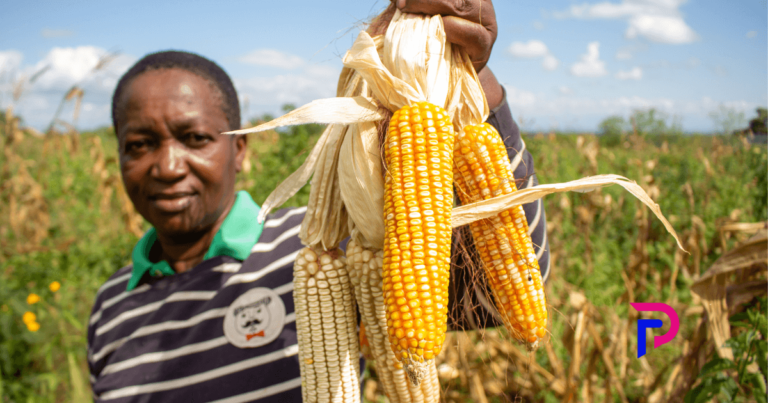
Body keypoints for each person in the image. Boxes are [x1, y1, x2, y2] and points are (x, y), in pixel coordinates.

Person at [87, 1, 549, 401]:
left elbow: (488, 300)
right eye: (140, 145)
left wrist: (474, 80)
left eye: (195, 138)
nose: (168, 167)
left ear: (239, 149)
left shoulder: (320, 249)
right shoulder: (109, 308)